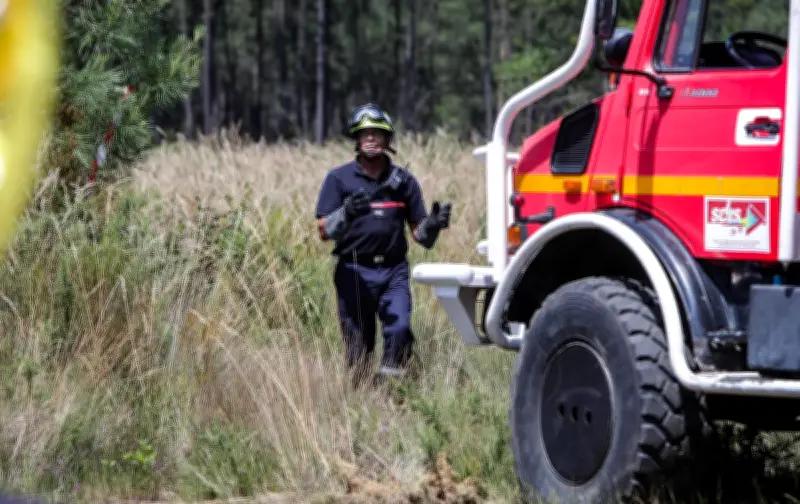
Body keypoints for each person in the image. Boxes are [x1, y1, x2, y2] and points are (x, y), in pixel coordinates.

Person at [314, 103, 452, 385]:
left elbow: (420, 235)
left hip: (393, 272)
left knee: (400, 329)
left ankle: (390, 390)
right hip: (353, 271)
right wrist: (346, 212)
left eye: (377, 133)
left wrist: (434, 224)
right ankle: (361, 400)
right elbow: (323, 231)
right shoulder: (338, 179)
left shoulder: (404, 181)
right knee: (358, 347)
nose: (371, 139)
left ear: (388, 140)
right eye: (365, 134)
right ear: (355, 139)